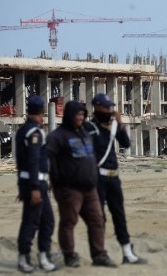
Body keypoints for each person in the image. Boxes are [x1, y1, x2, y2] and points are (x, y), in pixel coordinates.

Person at [46, 100, 116, 268]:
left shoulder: (85, 133)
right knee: (69, 222)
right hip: (70, 189)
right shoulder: (58, 136)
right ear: (69, 115)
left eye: (83, 114)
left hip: (90, 189)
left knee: (98, 221)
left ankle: (99, 255)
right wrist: (56, 184)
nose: (81, 117)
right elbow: (48, 159)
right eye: (78, 114)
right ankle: (69, 256)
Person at [84, 93, 147, 265]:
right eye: (106, 107)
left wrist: (120, 125)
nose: (109, 110)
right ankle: (99, 253)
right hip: (98, 178)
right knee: (99, 218)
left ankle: (128, 253)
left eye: (110, 107)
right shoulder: (89, 128)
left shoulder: (112, 127)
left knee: (119, 215)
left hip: (114, 178)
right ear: (97, 107)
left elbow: (126, 144)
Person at [15, 95, 56, 273]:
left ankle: (43, 255)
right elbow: (32, 161)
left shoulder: (23, 130)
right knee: (31, 222)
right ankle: (24, 258)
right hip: (35, 184)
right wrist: (33, 188)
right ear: (41, 112)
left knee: (47, 221)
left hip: (35, 183)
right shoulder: (34, 133)